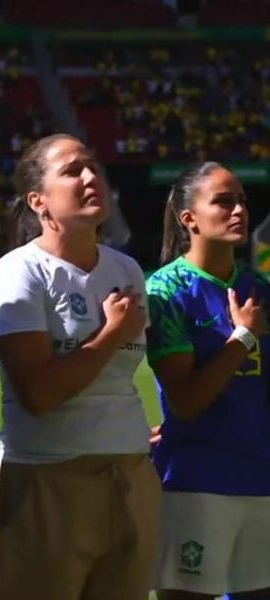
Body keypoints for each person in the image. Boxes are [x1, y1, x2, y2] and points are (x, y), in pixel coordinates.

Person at [0, 133, 161, 600]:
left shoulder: (125, 270)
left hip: (129, 475)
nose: (90, 177)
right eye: (72, 170)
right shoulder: (19, 272)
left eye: (93, 167)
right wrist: (109, 336)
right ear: (38, 202)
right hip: (46, 481)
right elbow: (38, 394)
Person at [146, 162, 270, 600]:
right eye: (223, 201)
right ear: (189, 218)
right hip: (196, 484)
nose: (239, 210)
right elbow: (187, 402)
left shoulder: (260, 288)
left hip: (261, 482)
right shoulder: (165, 293)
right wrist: (244, 336)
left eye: (241, 200)